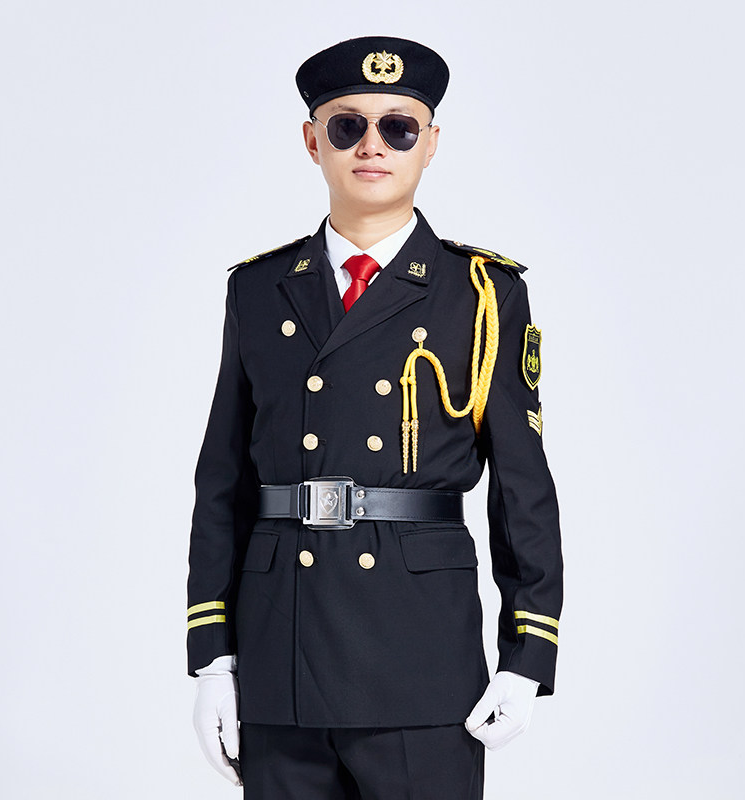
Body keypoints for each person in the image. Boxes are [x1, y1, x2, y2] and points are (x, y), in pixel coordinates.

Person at [186, 35, 563, 799]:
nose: (372, 145)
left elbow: (523, 487)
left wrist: (527, 654)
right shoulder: (258, 289)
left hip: (419, 652)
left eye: (398, 127)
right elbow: (222, 481)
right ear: (312, 141)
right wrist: (213, 657)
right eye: (347, 125)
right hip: (281, 647)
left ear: (431, 144)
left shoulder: (481, 293)